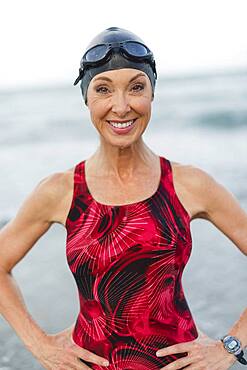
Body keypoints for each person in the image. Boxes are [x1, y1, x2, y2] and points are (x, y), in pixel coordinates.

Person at [0, 26, 246, 370]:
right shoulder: (61, 191)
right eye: (103, 89)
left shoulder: (189, 184)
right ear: (87, 98)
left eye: (136, 87)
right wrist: (40, 346)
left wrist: (230, 346)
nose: (121, 106)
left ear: (152, 93)